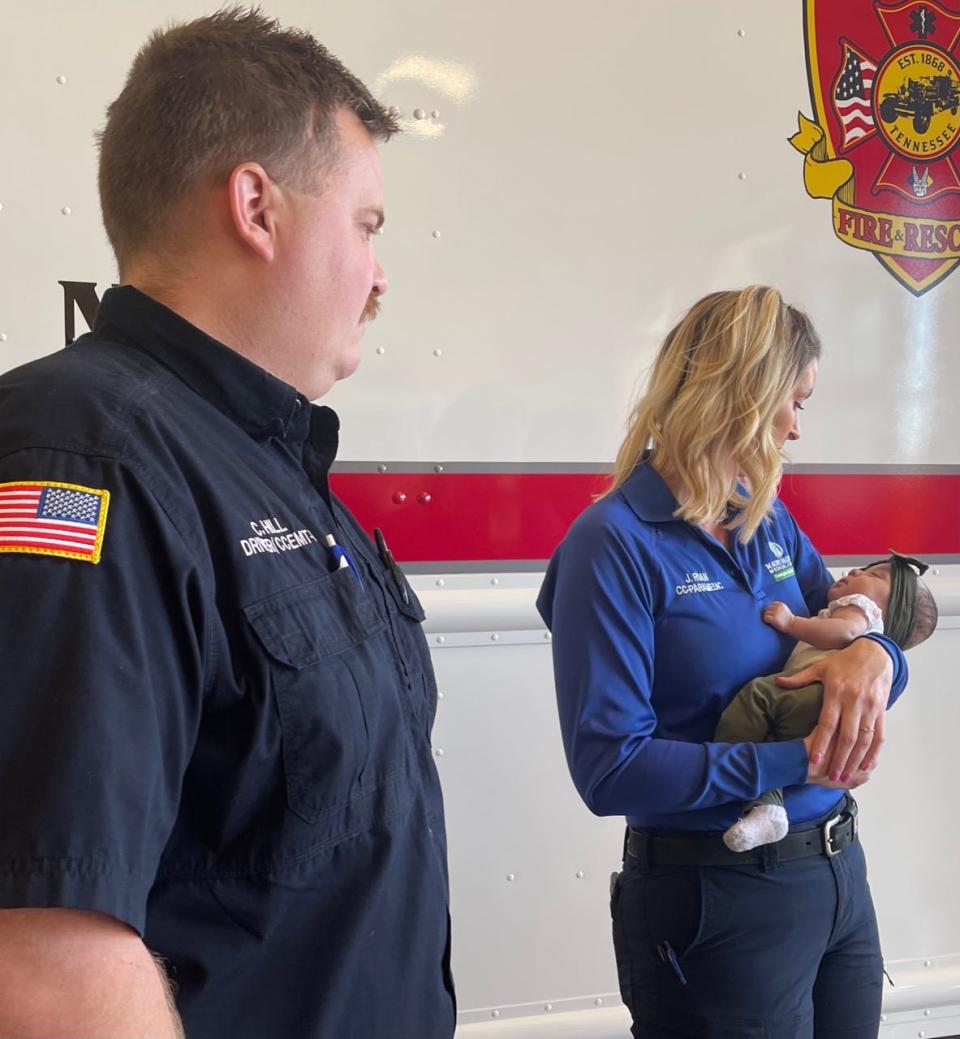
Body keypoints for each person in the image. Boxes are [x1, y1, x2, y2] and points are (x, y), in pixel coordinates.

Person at [0, 10, 454, 1038]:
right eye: (367, 226)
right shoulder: (87, 458)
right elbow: (45, 959)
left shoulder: (259, 461)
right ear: (256, 206)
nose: (380, 274)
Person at [537, 286, 911, 1039]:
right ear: (741, 393)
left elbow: (849, 623)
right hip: (717, 894)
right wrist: (794, 760)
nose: (797, 428)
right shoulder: (611, 543)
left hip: (836, 875)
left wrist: (881, 654)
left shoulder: (765, 519)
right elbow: (609, 768)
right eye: (793, 401)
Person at [718, 553, 937, 852]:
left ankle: (729, 771)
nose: (858, 569)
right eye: (868, 568)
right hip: (825, 709)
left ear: (891, 610)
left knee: (757, 697)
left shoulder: (859, 608)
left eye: (876, 576)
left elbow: (842, 631)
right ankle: (767, 809)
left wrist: (792, 622)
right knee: (768, 739)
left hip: (819, 696)